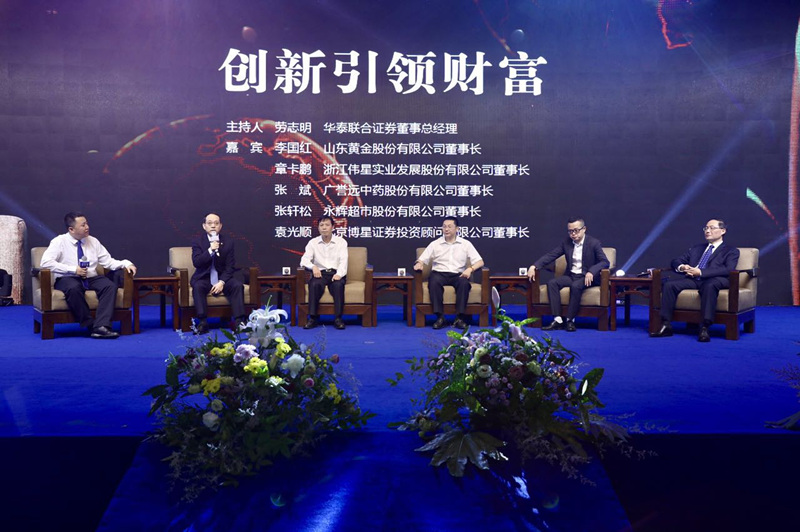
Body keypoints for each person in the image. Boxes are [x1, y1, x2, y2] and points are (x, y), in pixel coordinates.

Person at [40, 212, 137, 339]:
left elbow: (108, 261)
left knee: (109, 286)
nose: (87, 227)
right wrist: (73, 270)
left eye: (87, 224)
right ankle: (90, 324)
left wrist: (126, 263)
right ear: (71, 229)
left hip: (91, 277)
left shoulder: (93, 241)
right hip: (67, 277)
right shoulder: (59, 241)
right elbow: (45, 262)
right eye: (83, 225)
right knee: (73, 288)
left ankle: (102, 326)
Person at [651, 218, 740, 342]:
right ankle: (666, 325)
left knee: (709, 286)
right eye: (706, 228)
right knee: (669, 285)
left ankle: (704, 327)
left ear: (723, 231)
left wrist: (701, 272)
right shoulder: (697, 248)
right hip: (694, 279)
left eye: (712, 228)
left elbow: (728, 269)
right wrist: (682, 267)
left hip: (715, 280)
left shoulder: (731, 251)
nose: (707, 231)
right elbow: (676, 261)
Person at [527, 217, 609, 332]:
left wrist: (592, 271)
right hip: (571, 276)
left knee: (576, 286)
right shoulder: (567, 243)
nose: (573, 234)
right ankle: (558, 319)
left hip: (586, 278)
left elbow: (605, 262)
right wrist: (534, 266)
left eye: (576, 230)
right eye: (570, 231)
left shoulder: (593, 243)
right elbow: (551, 255)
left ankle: (570, 320)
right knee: (552, 283)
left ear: (584, 229)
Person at [414, 216, 484, 330]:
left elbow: (480, 262)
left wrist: (470, 269)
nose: (446, 229)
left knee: (464, 284)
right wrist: (419, 264)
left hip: (458, 274)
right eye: (444, 226)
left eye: (450, 227)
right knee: (434, 282)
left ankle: (459, 318)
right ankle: (440, 318)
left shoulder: (465, 244)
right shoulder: (435, 244)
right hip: (439, 273)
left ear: (457, 229)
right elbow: (422, 259)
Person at [190, 213, 247, 334]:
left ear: (220, 226)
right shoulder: (198, 242)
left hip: (222, 278)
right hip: (204, 278)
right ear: (204, 226)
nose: (213, 226)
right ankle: (203, 322)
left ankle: (239, 321)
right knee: (198, 287)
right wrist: (210, 250)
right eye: (209, 223)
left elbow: (230, 267)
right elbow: (197, 262)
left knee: (237, 286)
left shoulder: (228, 242)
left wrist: (222, 282)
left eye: (216, 223)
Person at [300, 215, 348, 330]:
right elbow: (304, 260)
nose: (324, 228)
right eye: (321, 225)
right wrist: (313, 267)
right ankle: (313, 318)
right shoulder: (313, 243)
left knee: (338, 285)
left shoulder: (341, 242)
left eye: (327, 225)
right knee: (314, 284)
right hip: (320, 274)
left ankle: (338, 319)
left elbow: (343, 261)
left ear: (333, 227)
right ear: (318, 228)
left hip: (335, 273)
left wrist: (339, 274)